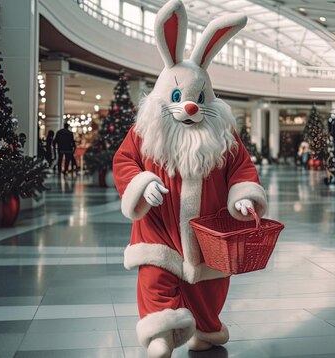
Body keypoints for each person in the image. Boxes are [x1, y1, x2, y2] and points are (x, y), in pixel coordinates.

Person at [113, 2, 265, 357]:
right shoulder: (145, 131)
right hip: (159, 228)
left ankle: (206, 331)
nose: (191, 107)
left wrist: (242, 197)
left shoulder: (223, 134)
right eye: (180, 97)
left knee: (208, 291)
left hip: (207, 231)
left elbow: (240, 167)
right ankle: (160, 335)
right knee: (155, 277)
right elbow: (124, 161)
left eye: (199, 98)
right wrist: (142, 182)